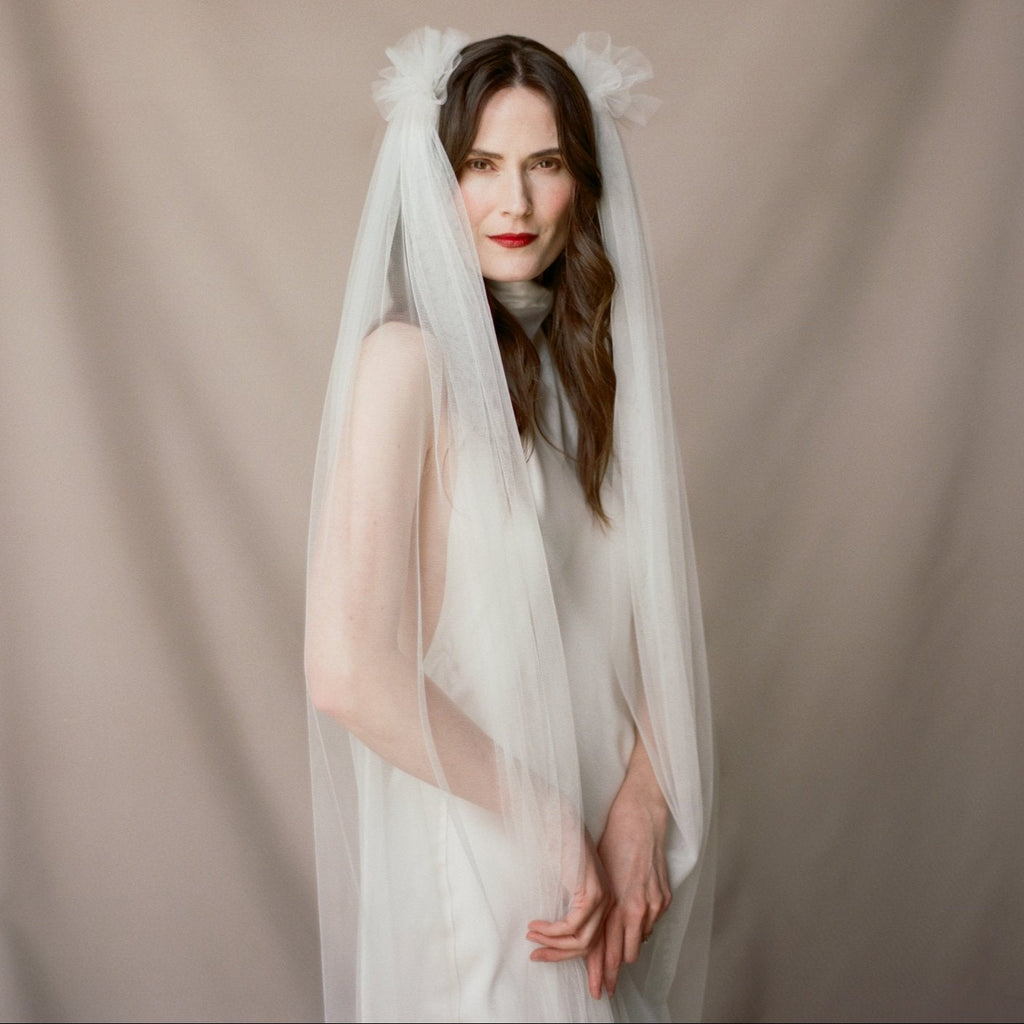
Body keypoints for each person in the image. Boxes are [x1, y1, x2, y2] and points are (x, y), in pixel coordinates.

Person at [305, 28, 713, 1023]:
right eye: (480, 166)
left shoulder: (589, 378)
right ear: (433, 180)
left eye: (544, 165)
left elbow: (651, 611)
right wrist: (543, 823)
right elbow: (347, 667)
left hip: (595, 859)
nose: (515, 204)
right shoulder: (407, 364)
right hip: (485, 863)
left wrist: (640, 804)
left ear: (585, 179)